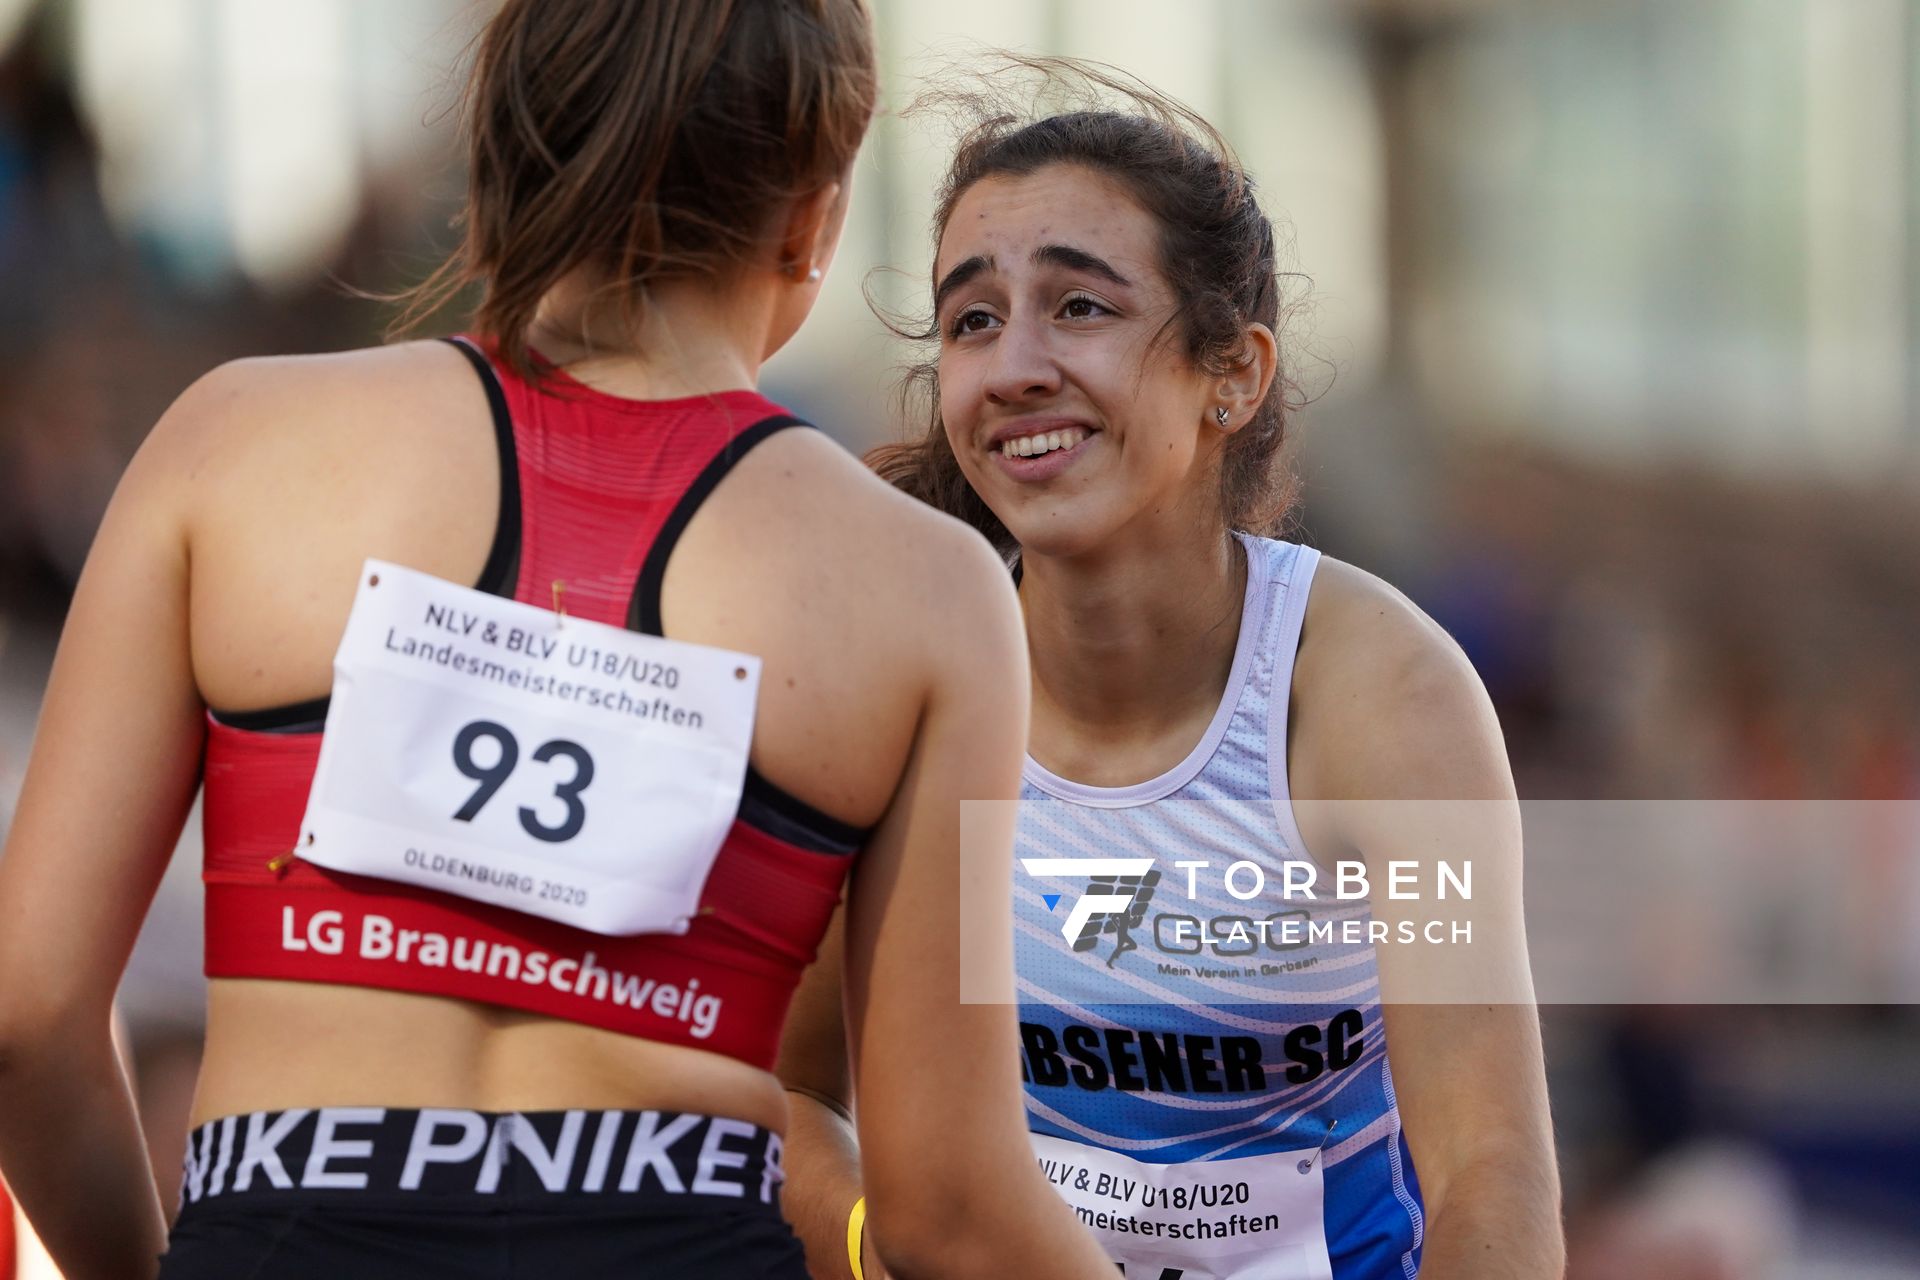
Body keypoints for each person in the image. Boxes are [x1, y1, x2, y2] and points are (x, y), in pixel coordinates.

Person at [0, 7, 1119, 1278]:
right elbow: (950, 1208)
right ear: (811, 219)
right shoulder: (927, 587)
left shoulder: (233, 447)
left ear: (494, 175)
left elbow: (25, 1016)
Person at [780, 63, 1564, 1279]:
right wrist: (902, 1248)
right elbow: (788, 1100)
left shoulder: (1382, 695)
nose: (1016, 366)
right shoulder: (893, 680)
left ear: (1235, 374)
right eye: (973, 319)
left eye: (1080, 307)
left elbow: (1490, 1165)